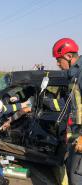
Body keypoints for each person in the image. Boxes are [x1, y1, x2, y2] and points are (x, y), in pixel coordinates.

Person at [52, 38, 82, 185]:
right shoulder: (74, 75)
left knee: (77, 177)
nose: (57, 64)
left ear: (69, 56)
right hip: (76, 136)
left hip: (81, 138)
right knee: (71, 171)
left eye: (59, 60)